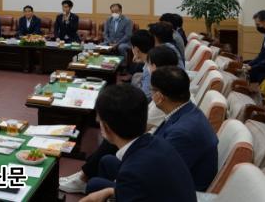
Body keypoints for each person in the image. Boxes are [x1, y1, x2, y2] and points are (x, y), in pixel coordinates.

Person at [60, 46, 180, 194]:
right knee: (106, 160)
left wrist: (108, 193)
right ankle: (83, 175)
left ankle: (84, 177)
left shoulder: (135, 169)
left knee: (96, 181)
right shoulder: (171, 92)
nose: (145, 68)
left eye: (148, 64)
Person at [80, 85, 197, 202]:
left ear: (106, 127)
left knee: (94, 184)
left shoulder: (132, 172)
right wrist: (110, 191)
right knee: (106, 162)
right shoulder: (157, 141)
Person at [150, 66, 219, 191]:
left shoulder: (183, 133)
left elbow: (161, 176)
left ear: (159, 96)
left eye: (151, 90)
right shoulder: (188, 110)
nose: (151, 94)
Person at [129, 30, 155, 99]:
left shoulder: (149, 69)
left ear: (136, 49)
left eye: (132, 46)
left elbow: (145, 97)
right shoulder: (152, 58)